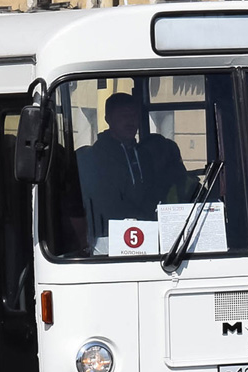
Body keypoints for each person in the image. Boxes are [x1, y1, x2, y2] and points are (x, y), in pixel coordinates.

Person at [75, 93, 187, 253]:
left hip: (147, 238)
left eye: (134, 115)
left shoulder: (145, 156)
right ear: (108, 119)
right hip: (106, 243)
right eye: (123, 116)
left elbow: (153, 195)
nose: (130, 121)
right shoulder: (93, 158)